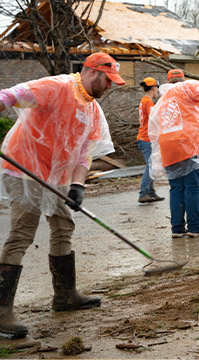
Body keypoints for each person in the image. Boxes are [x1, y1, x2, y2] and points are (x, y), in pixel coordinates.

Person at [0, 52, 124, 338]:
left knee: (63, 224)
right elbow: (10, 96)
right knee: (22, 232)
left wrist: (77, 186)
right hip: (23, 167)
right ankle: (1, 311)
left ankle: (65, 295)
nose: (110, 87)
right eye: (108, 80)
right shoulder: (57, 87)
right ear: (92, 72)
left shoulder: (92, 110)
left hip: (54, 176)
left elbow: (83, 153)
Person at [147, 68, 199, 238]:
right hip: (187, 144)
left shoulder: (164, 99)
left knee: (176, 188)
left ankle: (177, 228)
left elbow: (176, 121)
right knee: (192, 187)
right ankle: (194, 226)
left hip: (168, 146)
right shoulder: (185, 88)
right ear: (183, 79)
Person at [136, 77, 164, 203]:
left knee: (152, 164)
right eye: (157, 88)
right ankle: (143, 193)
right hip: (146, 138)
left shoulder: (144, 100)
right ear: (153, 88)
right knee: (151, 165)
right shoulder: (148, 102)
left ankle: (151, 192)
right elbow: (155, 119)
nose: (157, 91)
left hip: (144, 137)